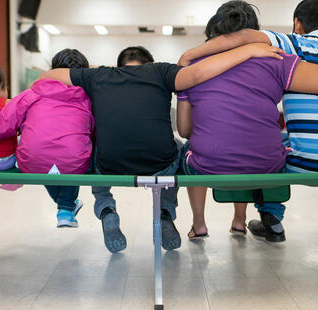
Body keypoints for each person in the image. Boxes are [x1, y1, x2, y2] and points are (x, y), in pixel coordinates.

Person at [40, 42, 288, 253]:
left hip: (111, 165)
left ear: (120, 65)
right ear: (150, 63)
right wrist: (249, 50)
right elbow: (199, 73)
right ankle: (165, 213)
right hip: (158, 163)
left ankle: (106, 208)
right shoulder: (160, 72)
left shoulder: (99, 76)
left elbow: (48, 76)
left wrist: (97, 70)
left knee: (96, 150)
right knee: (179, 149)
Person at [179, 0, 318, 241]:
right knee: (302, 145)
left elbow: (239, 37)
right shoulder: (290, 57)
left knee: (267, 144)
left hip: (227, 162)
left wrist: (188, 57)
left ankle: (242, 220)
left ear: (297, 24)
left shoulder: (289, 45)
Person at [0, 49, 94, 228]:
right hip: (73, 162)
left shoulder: (32, 93)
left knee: (45, 159)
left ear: (52, 70)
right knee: (70, 156)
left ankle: (67, 207)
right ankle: (66, 207)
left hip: (32, 162)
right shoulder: (89, 98)